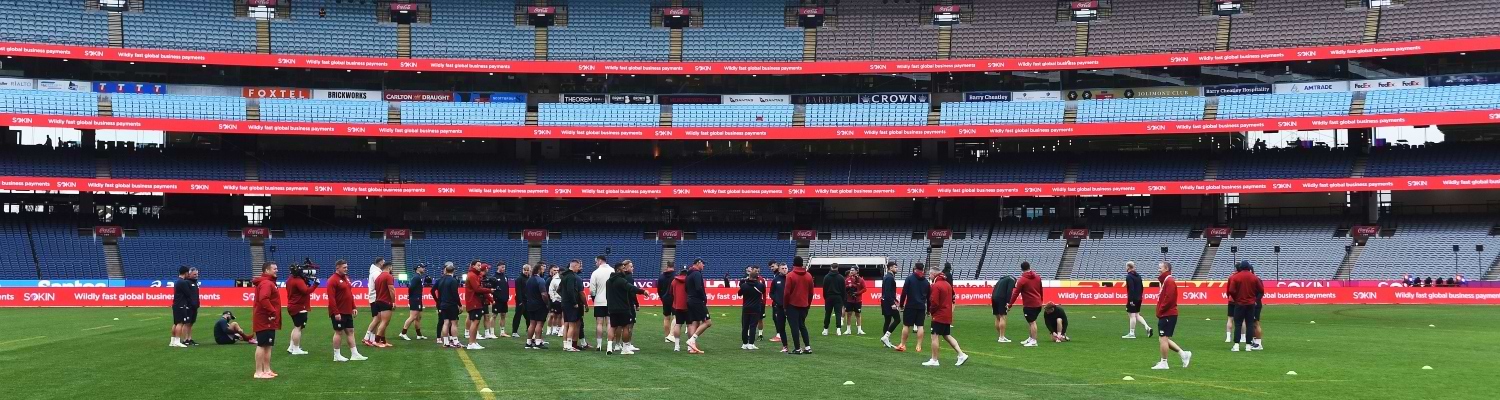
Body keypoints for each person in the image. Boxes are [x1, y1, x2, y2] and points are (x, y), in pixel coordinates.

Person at [924, 265, 967, 367]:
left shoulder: (936, 285)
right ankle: (961, 354)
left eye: (930, 274)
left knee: (934, 336)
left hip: (939, 315)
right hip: (947, 314)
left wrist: (931, 311)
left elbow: (934, 302)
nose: (929, 276)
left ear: (934, 274)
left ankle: (934, 359)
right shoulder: (947, 284)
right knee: (946, 335)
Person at [1151, 262, 1192, 370]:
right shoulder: (1166, 281)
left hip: (1167, 314)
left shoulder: (1169, 281)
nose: (1158, 270)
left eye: (1160, 268)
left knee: (1163, 339)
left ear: (1166, 268)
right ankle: (1184, 354)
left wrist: (1160, 310)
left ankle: (1164, 362)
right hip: (1167, 313)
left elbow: (1168, 299)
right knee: (1163, 339)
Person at [328, 260, 369, 361]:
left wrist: (353, 307)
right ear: (337, 268)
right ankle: (336, 355)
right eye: (344, 267)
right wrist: (336, 312)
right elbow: (331, 298)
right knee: (338, 332)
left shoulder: (346, 278)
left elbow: (349, 294)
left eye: (346, 267)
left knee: (350, 331)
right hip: (339, 312)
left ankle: (354, 354)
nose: (346, 269)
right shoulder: (332, 280)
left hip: (347, 310)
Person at [251, 262, 281, 379]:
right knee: (262, 344)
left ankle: (267, 370)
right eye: (274, 268)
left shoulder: (269, 283)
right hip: (264, 318)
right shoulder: (266, 283)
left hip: (269, 319)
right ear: (267, 271)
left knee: (268, 345)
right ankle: (258, 372)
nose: (276, 270)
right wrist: (272, 311)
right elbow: (263, 299)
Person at [1227, 261, 1263, 352]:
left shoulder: (1236, 277)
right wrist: (1255, 300)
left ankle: (1236, 345)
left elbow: (1231, 290)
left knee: (1238, 324)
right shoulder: (1254, 277)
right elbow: (1261, 290)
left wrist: (1236, 298)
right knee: (1250, 324)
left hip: (1239, 303)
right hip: (1250, 304)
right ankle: (1248, 345)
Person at [782, 257, 815, 355]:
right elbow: (811, 293)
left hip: (792, 305)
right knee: (802, 325)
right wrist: (808, 304)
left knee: (794, 327)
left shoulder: (790, 275)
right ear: (802, 264)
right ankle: (808, 347)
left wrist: (785, 305)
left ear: (793, 264)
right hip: (804, 304)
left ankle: (797, 348)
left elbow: (787, 293)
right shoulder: (808, 275)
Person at [285, 262, 319, 354]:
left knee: (296, 327)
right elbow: (306, 291)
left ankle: (291, 347)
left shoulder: (290, 279)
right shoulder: (298, 280)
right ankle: (296, 348)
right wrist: (315, 284)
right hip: (299, 306)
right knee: (298, 328)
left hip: (292, 305)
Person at [1007, 261, 1043, 348]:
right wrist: (1041, 300)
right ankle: (1031, 338)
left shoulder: (1022, 280)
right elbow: (1041, 289)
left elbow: (1015, 293)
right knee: (1031, 322)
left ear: (1021, 269)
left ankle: (1034, 340)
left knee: (1032, 322)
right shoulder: (1037, 277)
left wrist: (1010, 304)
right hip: (1038, 303)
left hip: (1029, 304)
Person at [895, 263, 929, 353]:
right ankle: (918, 346)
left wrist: (901, 304)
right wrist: (929, 309)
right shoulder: (926, 281)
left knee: (906, 325)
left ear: (914, 268)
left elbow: (904, 293)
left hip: (910, 305)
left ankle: (902, 344)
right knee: (920, 326)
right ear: (923, 270)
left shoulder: (909, 279)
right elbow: (929, 297)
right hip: (921, 306)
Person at [605, 260, 637, 355]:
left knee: (612, 327)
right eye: (623, 268)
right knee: (625, 327)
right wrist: (643, 292)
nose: (624, 270)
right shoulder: (622, 280)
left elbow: (608, 295)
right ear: (619, 270)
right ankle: (625, 348)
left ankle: (609, 347)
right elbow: (631, 288)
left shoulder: (608, 281)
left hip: (612, 308)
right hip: (623, 308)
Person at [363, 261, 397, 348]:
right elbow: (391, 290)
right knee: (385, 322)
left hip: (378, 300)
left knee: (382, 322)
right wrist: (393, 302)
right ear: (389, 267)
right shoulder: (388, 276)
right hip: (386, 301)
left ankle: (383, 341)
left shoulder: (378, 277)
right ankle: (376, 341)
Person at [734, 265, 767, 350]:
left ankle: (744, 343)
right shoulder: (760, 285)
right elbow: (763, 292)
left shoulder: (744, 286)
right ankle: (751, 344)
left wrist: (742, 284)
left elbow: (739, 293)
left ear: (749, 276)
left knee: (745, 327)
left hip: (746, 308)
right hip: (756, 308)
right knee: (753, 326)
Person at [463, 260, 493, 350]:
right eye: (478, 265)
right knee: (475, 322)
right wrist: (489, 290)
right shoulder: (472, 275)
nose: (480, 267)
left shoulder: (474, 275)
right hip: (473, 301)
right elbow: (477, 289)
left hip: (476, 301)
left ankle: (474, 341)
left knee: (476, 322)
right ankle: (471, 343)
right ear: (473, 266)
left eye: (480, 265)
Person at [685, 258, 712, 354]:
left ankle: (691, 347)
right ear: (698, 263)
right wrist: (704, 297)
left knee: (694, 322)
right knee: (708, 322)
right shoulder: (697, 273)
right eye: (703, 264)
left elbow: (686, 288)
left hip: (690, 300)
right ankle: (692, 340)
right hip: (697, 301)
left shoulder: (689, 274)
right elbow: (698, 287)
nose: (704, 266)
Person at [170, 266, 201, 348]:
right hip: (181, 305)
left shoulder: (178, 282)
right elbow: (188, 294)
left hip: (176, 304)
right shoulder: (183, 282)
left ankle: (173, 341)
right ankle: (177, 341)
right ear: (186, 273)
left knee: (176, 323)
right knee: (180, 323)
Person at [560, 260, 586, 352]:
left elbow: (559, 289)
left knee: (566, 324)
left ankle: (566, 345)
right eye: (578, 266)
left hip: (564, 303)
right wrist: (574, 302)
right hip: (570, 304)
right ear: (574, 266)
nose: (579, 268)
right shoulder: (571, 277)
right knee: (572, 325)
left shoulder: (564, 275)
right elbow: (571, 291)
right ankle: (569, 346)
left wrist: (564, 297)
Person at [589, 255, 614, 352]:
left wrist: (594, 298)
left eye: (596, 262)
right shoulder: (612, 271)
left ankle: (599, 345)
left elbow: (592, 290)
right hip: (610, 301)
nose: (595, 263)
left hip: (599, 301)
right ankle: (609, 345)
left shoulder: (595, 273)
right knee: (609, 323)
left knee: (599, 323)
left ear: (599, 261)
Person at [1123, 261, 1153, 339]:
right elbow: (1142, 287)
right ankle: (1147, 327)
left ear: (1128, 267)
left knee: (1132, 315)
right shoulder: (1138, 276)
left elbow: (1131, 289)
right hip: (1139, 298)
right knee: (1137, 315)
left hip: (1133, 298)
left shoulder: (1129, 277)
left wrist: (1131, 300)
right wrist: (1139, 296)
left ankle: (1132, 333)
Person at [434, 263, 462, 348]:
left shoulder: (441, 280)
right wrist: (459, 304)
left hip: (443, 304)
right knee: (454, 322)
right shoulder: (453, 280)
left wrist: (438, 301)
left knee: (445, 322)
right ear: (453, 271)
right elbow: (455, 294)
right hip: (451, 304)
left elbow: (434, 291)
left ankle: (445, 342)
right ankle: (455, 341)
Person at [524, 264, 550, 350]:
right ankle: (538, 342)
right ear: (539, 270)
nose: (544, 271)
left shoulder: (529, 280)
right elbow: (544, 294)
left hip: (530, 304)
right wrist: (547, 303)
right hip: (539, 305)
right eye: (542, 270)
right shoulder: (540, 280)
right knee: (539, 324)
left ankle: (528, 342)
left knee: (532, 323)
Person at [400, 263, 428, 341]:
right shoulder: (416, 277)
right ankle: (403, 333)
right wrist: (411, 296)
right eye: (422, 267)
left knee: (418, 317)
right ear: (418, 268)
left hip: (417, 298)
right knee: (413, 316)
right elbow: (411, 287)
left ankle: (419, 335)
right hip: (415, 299)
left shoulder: (418, 277)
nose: (424, 269)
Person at [879, 262, 902, 348]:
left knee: (887, 320)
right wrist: (892, 303)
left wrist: (895, 300)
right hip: (888, 302)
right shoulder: (889, 278)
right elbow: (888, 292)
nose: (897, 269)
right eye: (895, 267)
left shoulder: (888, 277)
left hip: (886, 301)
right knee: (897, 319)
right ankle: (886, 337)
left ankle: (885, 340)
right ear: (890, 268)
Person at [362, 257, 384, 344]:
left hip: (374, 297)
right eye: (383, 262)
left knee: (377, 319)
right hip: (375, 297)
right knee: (376, 319)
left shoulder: (374, 272)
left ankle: (371, 338)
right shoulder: (376, 273)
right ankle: (366, 337)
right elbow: (378, 284)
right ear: (380, 263)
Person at [990, 272, 1016, 344]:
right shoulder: (1011, 280)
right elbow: (1009, 291)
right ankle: (1001, 337)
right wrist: (1008, 302)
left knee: (997, 317)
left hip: (994, 297)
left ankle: (1001, 336)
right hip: (1001, 298)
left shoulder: (1001, 280)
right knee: (1002, 317)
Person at [769, 262, 790, 350]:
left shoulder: (791, 278)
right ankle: (785, 346)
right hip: (780, 307)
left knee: (795, 326)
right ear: (779, 269)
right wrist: (777, 300)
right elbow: (771, 293)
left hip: (790, 307)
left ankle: (798, 346)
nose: (784, 270)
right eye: (783, 268)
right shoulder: (776, 280)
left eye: (785, 268)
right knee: (781, 327)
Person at [670, 267, 691, 352]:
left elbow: (671, 293)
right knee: (689, 325)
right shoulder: (689, 281)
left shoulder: (674, 281)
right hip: (688, 306)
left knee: (678, 324)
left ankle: (676, 346)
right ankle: (690, 346)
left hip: (677, 306)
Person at [821, 264, 845, 336]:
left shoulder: (826, 277)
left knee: (828, 313)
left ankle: (825, 329)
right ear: (837, 268)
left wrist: (826, 297)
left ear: (831, 267)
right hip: (838, 297)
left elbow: (824, 289)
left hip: (829, 297)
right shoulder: (841, 277)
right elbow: (843, 290)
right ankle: (838, 330)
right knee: (838, 313)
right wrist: (842, 299)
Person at [488, 262, 509, 339]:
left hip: (504, 300)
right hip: (497, 300)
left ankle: (502, 332)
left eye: (504, 267)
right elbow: (491, 289)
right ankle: (492, 332)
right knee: (494, 315)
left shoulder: (505, 277)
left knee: (503, 315)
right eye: (502, 267)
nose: (504, 269)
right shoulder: (494, 277)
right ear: (498, 267)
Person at [658, 262, 677, 343]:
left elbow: (659, 289)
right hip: (674, 298)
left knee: (666, 318)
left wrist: (662, 297)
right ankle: (671, 335)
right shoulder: (675, 276)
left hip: (665, 299)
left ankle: (667, 337)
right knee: (676, 317)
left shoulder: (661, 276)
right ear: (673, 266)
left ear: (667, 266)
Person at [843, 267, 866, 335]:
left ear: (856, 271)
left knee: (858, 314)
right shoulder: (847, 280)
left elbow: (864, 289)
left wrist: (857, 293)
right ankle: (848, 330)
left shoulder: (861, 280)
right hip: (849, 300)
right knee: (849, 314)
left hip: (858, 300)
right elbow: (844, 288)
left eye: (853, 270)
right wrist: (848, 286)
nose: (851, 271)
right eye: (851, 270)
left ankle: (859, 329)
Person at [511, 264, 532, 338]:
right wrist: (520, 302)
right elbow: (518, 291)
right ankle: (514, 331)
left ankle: (529, 330)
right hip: (521, 301)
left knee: (529, 317)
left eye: (527, 270)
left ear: (530, 270)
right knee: (517, 316)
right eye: (525, 270)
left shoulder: (529, 278)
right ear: (522, 270)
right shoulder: (519, 279)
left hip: (527, 301)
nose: (526, 271)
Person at [547, 265, 563, 337]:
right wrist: (553, 299)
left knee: (559, 315)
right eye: (554, 270)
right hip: (552, 300)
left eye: (557, 270)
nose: (556, 272)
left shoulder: (562, 279)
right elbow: (550, 290)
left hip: (560, 300)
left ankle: (556, 330)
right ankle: (549, 330)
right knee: (552, 315)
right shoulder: (549, 279)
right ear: (550, 270)